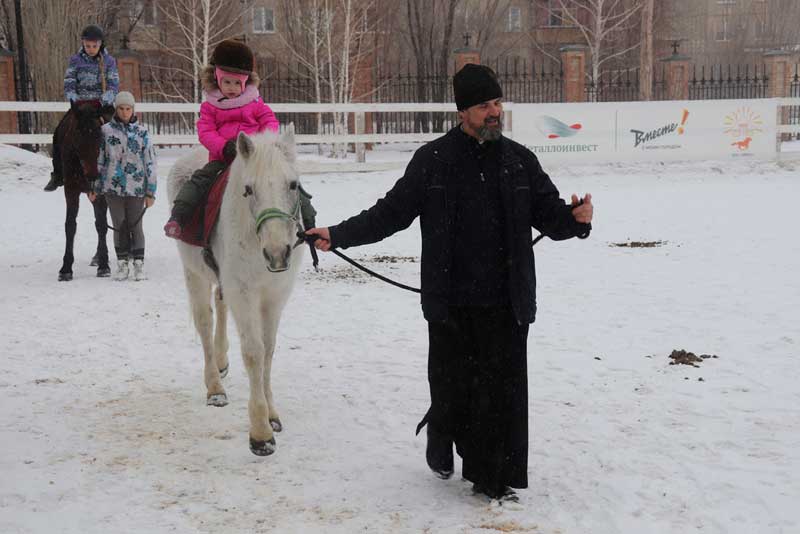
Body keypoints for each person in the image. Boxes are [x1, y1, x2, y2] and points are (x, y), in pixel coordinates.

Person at [305, 64, 594, 504]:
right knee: (453, 389)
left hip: (507, 302)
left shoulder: (520, 161)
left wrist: (575, 221)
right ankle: (440, 434)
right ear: (463, 112)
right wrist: (338, 233)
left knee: (499, 392)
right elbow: (390, 213)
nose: (494, 112)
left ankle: (490, 478)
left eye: (497, 103)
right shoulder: (434, 160)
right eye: (483, 106)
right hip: (450, 302)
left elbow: (549, 214)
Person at [163, 39, 316, 239]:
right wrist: (223, 147)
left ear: (245, 82)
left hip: (255, 159)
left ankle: (308, 222)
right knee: (199, 181)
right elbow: (205, 131)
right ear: (216, 78)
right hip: (222, 159)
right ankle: (179, 216)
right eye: (227, 82)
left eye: (238, 83)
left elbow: (269, 121)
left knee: (288, 182)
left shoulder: (255, 103)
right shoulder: (210, 106)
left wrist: (262, 145)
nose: (232, 87)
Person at [45, 24, 119, 192]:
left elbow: (114, 84)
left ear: (101, 44)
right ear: (83, 44)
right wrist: (72, 96)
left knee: (118, 132)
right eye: (88, 46)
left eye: (94, 46)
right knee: (58, 133)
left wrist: (106, 99)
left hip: (101, 106)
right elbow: (69, 80)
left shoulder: (108, 61)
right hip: (80, 107)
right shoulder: (75, 60)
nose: (91, 49)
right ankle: (58, 174)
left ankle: (120, 170)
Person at [93, 91, 156, 281]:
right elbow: (100, 161)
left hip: (136, 187)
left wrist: (151, 191)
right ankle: (122, 264)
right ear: (116, 109)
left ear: (133, 109)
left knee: (136, 225)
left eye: (128, 108)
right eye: (121, 108)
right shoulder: (105, 132)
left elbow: (150, 162)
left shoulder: (142, 133)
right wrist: (95, 187)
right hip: (113, 187)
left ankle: (139, 264)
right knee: (119, 225)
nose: (125, 112)